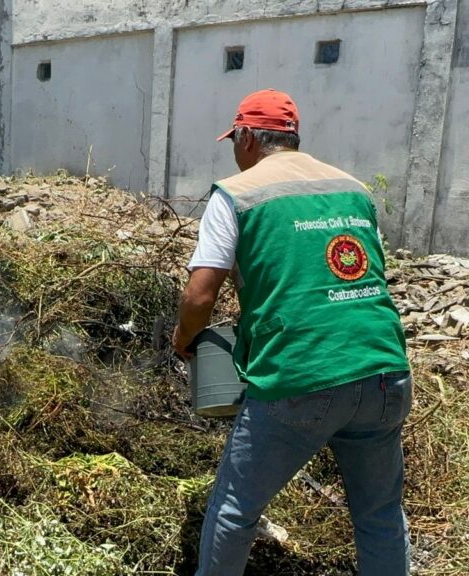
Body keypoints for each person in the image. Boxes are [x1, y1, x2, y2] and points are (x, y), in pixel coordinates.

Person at [172, 89, 413, 576]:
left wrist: (183, 340)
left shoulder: (237, 194)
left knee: (235, 510)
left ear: (246, 138)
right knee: (380, 515)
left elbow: (200, 296)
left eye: (233, 141)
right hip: (384, 371)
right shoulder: (353, 189)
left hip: (301, 375)